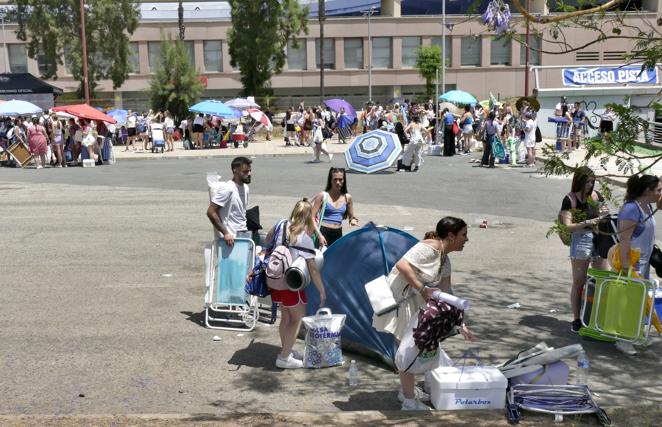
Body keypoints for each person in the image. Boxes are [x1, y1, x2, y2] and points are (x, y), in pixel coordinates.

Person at [372, 217, 474, 411]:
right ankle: (409, 402)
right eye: (463, 235)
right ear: (451, 236)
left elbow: (447, 293)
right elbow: (402, 265)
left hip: (412, 302)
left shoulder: (445, 261)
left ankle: (406, 393)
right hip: (397, 301)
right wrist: (422, 289)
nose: (466, 239)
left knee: (413, 347)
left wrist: (461, 324)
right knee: (408, 349)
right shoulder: (430, 248)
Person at [266, 199, 327, 369]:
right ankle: (284, 357)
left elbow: (267, 240)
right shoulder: (304, 239)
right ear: (309, 217)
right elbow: (313, 269)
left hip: (275, 280)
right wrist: (322, 291)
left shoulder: (281, 225)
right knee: (296, 319)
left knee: (285, 318)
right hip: (292, 284)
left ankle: (286, 350)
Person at [559, 167, 609, 334]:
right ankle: (576, 319)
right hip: (581, 239)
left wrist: (602, 216)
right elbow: (568, 226)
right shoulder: (570, 199)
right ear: (579, 181)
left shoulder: (595, 196)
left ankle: (596, 317)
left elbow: (605, 212)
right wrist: (588, 222)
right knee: (579, 281)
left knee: (602, 279)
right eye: (587, 182)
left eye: (592, 182)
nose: (590, 185)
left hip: (599, 238)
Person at [618, 174, 662, 280]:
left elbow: (660, 205)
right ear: (648, 191)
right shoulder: (631, 209)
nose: (660, 193)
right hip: (633, 264)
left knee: (640, 295)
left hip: (644, 262)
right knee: (631, 295)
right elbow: (624, 239)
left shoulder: (647, 206)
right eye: (659, 190)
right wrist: (626, 265)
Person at [206, 157, 252, 247]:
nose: (249, 174)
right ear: (235, 171)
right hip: (231, 238)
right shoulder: (228, 188)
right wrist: (225, 233)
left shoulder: (245, 187)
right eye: (245, 171)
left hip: (243, 233)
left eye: (250, 171)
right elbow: (210, 212)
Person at [311, 167, 359, 247]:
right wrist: (319, 235)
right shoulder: (323, 195)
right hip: (323, 232)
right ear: (330, 180)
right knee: (322, 259)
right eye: (335, 179)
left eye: (340, 179)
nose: (338, 182)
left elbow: (351, 217)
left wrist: (353, 220)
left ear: (344, 180)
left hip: (338, 234)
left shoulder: (348, 198)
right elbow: (311, 217)